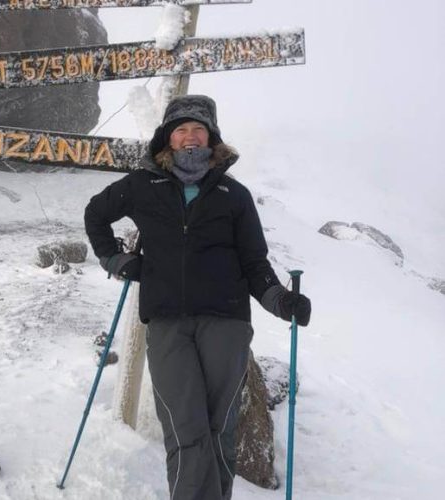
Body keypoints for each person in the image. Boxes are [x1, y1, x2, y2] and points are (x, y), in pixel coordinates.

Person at [84, 95, 311, 500]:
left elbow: (255, 262)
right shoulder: (142, 185)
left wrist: (280, 301)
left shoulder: (233, 194)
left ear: (211, 138)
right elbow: (95, 214)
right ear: (168, 139)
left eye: (198, 129)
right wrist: (115, 259)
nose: (190, 136)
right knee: (185, 427)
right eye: (181, 129)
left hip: (226, 321)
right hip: (168, 321)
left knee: (218, 427)